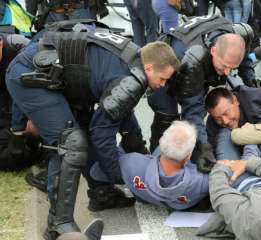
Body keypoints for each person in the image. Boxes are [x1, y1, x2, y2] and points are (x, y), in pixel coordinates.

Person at [6, 21, 179, 239]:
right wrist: (118, 174)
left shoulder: (131, 60)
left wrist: (142, 158)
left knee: (84, 130)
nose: (163, 85)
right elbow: (102, 133)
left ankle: (101, 193)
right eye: (162, 79)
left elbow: (124, 117)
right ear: (149, 68)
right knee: (71, 143)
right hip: (30, 77)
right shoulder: (131, 77)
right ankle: (58, 223)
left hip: (44, 73)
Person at [148, 15, 256, 171]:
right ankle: (154, 165)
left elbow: (243, 57)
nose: (227, 73)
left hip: (200, 62)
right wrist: (204, 147)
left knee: (198, 124)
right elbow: (192, 112)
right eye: (224, 66)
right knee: (167, 118)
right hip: (168, 67)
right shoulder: (194, 62)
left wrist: (250, 81)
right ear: (213, 50)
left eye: (231, 68)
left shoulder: (237, 36)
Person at [91, 120, 209, 209]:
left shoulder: (131, 163)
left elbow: (96, 172)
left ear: (161, 141)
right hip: (183, 200)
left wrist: (123, 147)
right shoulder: (202, 180)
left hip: (144, 187)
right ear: (188, 156)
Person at [0, 30, 44, 171]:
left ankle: (41, 151)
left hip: (33, 105)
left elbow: (42, 92)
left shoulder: (23, 50)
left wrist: (31, 122)